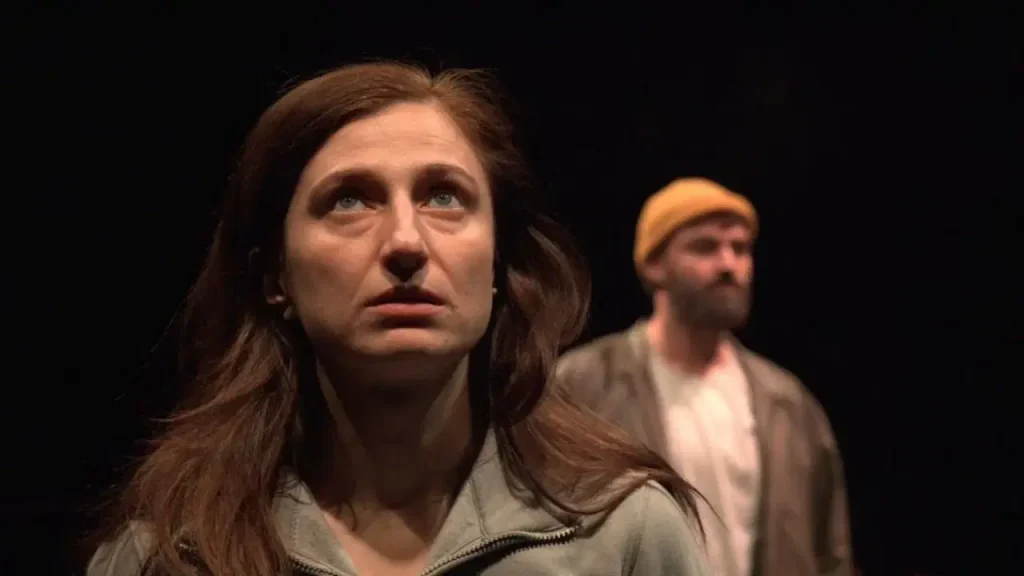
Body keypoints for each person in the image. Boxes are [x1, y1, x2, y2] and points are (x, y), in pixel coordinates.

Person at [86, 63, 710, 576]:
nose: (406, 242)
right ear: (276, 276)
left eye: (444, 196)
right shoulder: (170, 556)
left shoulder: (623, 534)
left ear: (497, 263)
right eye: (349, 200)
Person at [554, 178, 853, 576]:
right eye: (705, 247)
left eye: (740, 249)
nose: (729, 265)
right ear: (654, 265)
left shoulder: (788, 403)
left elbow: (831, 552)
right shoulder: (584, 384)